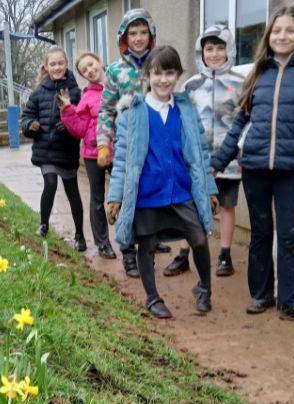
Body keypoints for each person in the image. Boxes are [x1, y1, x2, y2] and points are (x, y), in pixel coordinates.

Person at [211, 5, 294, 326]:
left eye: (290, 30)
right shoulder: (257, 73)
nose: (282, 36)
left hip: (289, 171)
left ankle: (293, 303)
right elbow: (239, 123)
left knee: (287, 235)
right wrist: (215, 163)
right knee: (260, 233)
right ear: (269, 36)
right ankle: (261, 295)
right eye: (277, 30)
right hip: (254, 166)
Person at [107, 46, 218, 320]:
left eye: (169, 73)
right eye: (157, 73)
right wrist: (115, 196)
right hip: (148, 195)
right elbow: (122, 159)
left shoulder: (186, 110)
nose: (163, 79)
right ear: (147, 76)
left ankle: (204, 288)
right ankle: (153, 298)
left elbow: (201, 154)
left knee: (200, 240)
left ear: (178, 75)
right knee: (147, 245)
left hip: (181, 192)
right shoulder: (133, 113)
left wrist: (211, 189)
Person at [163, 27, 245, 280]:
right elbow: (180, 121)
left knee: (227, 207)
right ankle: (183, 254)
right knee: (191, 207)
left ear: (229, 49)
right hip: (196, 162)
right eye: (209, 48)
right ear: (201, 52)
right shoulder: (191, 85)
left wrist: (241, 153)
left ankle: (224, 255)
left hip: (229, 162)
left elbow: (247, 122)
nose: (215, 53)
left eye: (220, 48)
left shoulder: (240, 84)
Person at [95, 10, 158, 277]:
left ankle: (147, 251)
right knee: (125, 197)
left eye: (143, 32)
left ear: (151, 34)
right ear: (124, 37)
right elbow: (106, 110)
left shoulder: (159, 63)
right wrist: (102, 144)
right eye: (133, 33)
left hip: (156, 144)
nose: (139, 38)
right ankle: (128, 252)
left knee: (151, 200)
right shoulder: (115, 70)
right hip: (127, 145)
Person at [23, 48, 85, 249]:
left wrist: (69, 125)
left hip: (66, 150)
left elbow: (81, 119)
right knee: (50, 183)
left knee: (72, 191)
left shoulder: (75, 92)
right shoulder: (39, 92)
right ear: (46, 67)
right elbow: (27, 116)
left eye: (60, 63)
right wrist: (30, 125)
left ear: (66, 65)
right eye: (53, 64)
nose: (57, 67)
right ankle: (43, 224)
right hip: (46, 149)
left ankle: (79, 235)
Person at [59, 52, 116, 258]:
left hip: (121, 150)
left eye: (91, 65)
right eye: (84, 70)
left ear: (99, 62)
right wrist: (67, 110)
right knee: (98, 198)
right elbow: (79, 129)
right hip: (94, 153)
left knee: (130, 194)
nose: (90, 70)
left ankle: (138, 239)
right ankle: (102, 243)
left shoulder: (118, 83)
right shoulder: (88, 97)